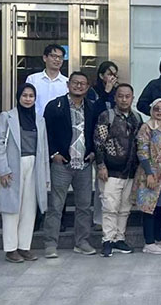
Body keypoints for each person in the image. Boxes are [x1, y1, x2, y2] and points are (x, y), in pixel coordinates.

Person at [0, 83, 50, 263]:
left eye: (31, 96)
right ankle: (11, 249)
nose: (27, 99)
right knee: (12, 209)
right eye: (24, 95)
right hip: (13, 166)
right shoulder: (7, 116)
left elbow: (44, 148)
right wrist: (3, 169)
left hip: (34, 166)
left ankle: (24, 247)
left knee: (29, 208)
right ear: (18, 97)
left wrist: (46, 175)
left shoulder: (39, 120)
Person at [43, 71, 97, 258]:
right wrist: (54, 154)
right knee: (56, 206)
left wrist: (93, 152)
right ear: (68, 85)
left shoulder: (92, 107)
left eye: (83, 83)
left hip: (84, 164)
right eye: (75, 82)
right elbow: (46, 132)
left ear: (87, 87)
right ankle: (50, 244)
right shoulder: (55, 106)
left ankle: (82, 242)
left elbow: (96, 133)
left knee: (84, 206)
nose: (79, 86)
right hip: (62, 164)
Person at [94, 83, 143, 257]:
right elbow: (98, 142)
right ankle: (107, 240)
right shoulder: (106, 116)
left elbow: (140, 144)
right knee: (109, 206)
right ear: (115, 98)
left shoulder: (137, 118)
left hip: (130, 171)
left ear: (132, 98)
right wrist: (101, 166)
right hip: (110, 171)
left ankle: (119, 239)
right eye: (120, 96)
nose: (124, 99)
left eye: (127, 96)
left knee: (124, 208)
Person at [134, 98, 161, 255]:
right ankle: (149, 242)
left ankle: (159, 237)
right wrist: (149, 173)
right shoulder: (147, 127)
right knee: (149, 207)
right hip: (151, 173)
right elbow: (142, 150)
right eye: (156, 108)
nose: (159, 112)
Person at [88, 60, 119, 232]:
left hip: (117, 145)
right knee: (101, 184)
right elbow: (94, 113)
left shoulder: (118, 92)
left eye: (115, 74)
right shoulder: (93, 92)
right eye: (109, 74)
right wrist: (106, 92)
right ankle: (99, 220)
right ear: (101, 75)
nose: (112, 78)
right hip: (99, 142)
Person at [26, 44, 68, 118]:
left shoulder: (67, 82)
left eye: (60, 57)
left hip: (58, 122)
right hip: (35, 121)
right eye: (54, 56)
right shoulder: (33, 79)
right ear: (45, 58)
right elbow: (26, 101)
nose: (57, 60)